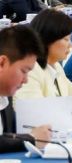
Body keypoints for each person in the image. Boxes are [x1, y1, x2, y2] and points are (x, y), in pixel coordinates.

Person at [0, 25, 50, 153]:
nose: (26, 80)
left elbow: (7, 137)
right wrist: (30, 139)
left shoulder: (5, 96)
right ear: (2, 63)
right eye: (23, 71)